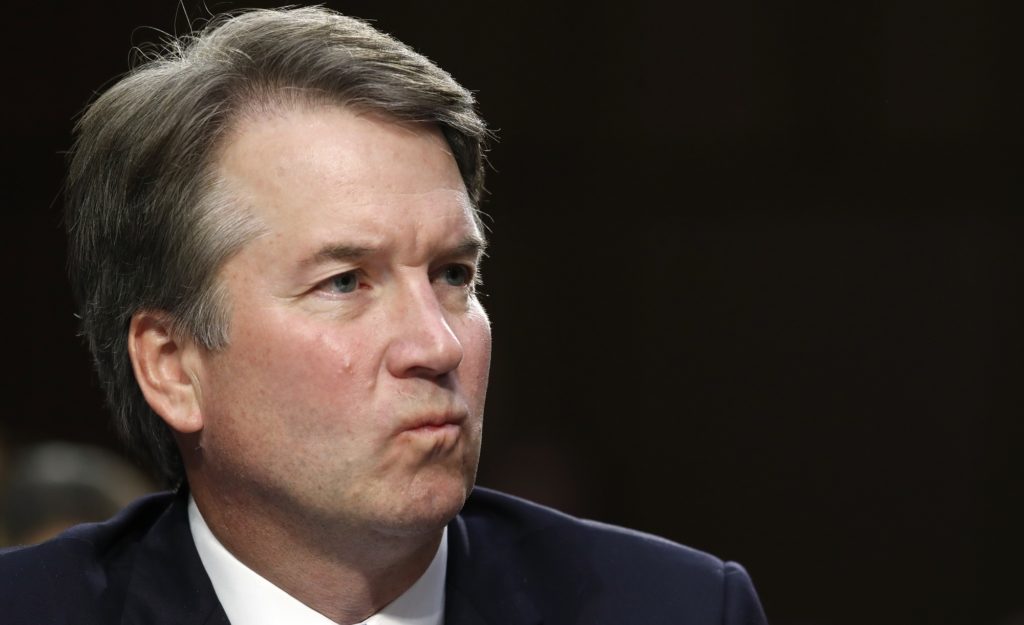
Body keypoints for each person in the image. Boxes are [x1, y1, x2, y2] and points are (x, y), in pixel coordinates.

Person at [0, 7, 767, 624]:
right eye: (344, 282)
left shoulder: (677, 607)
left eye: (453, 274)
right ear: (173, 366)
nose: (436, 343)